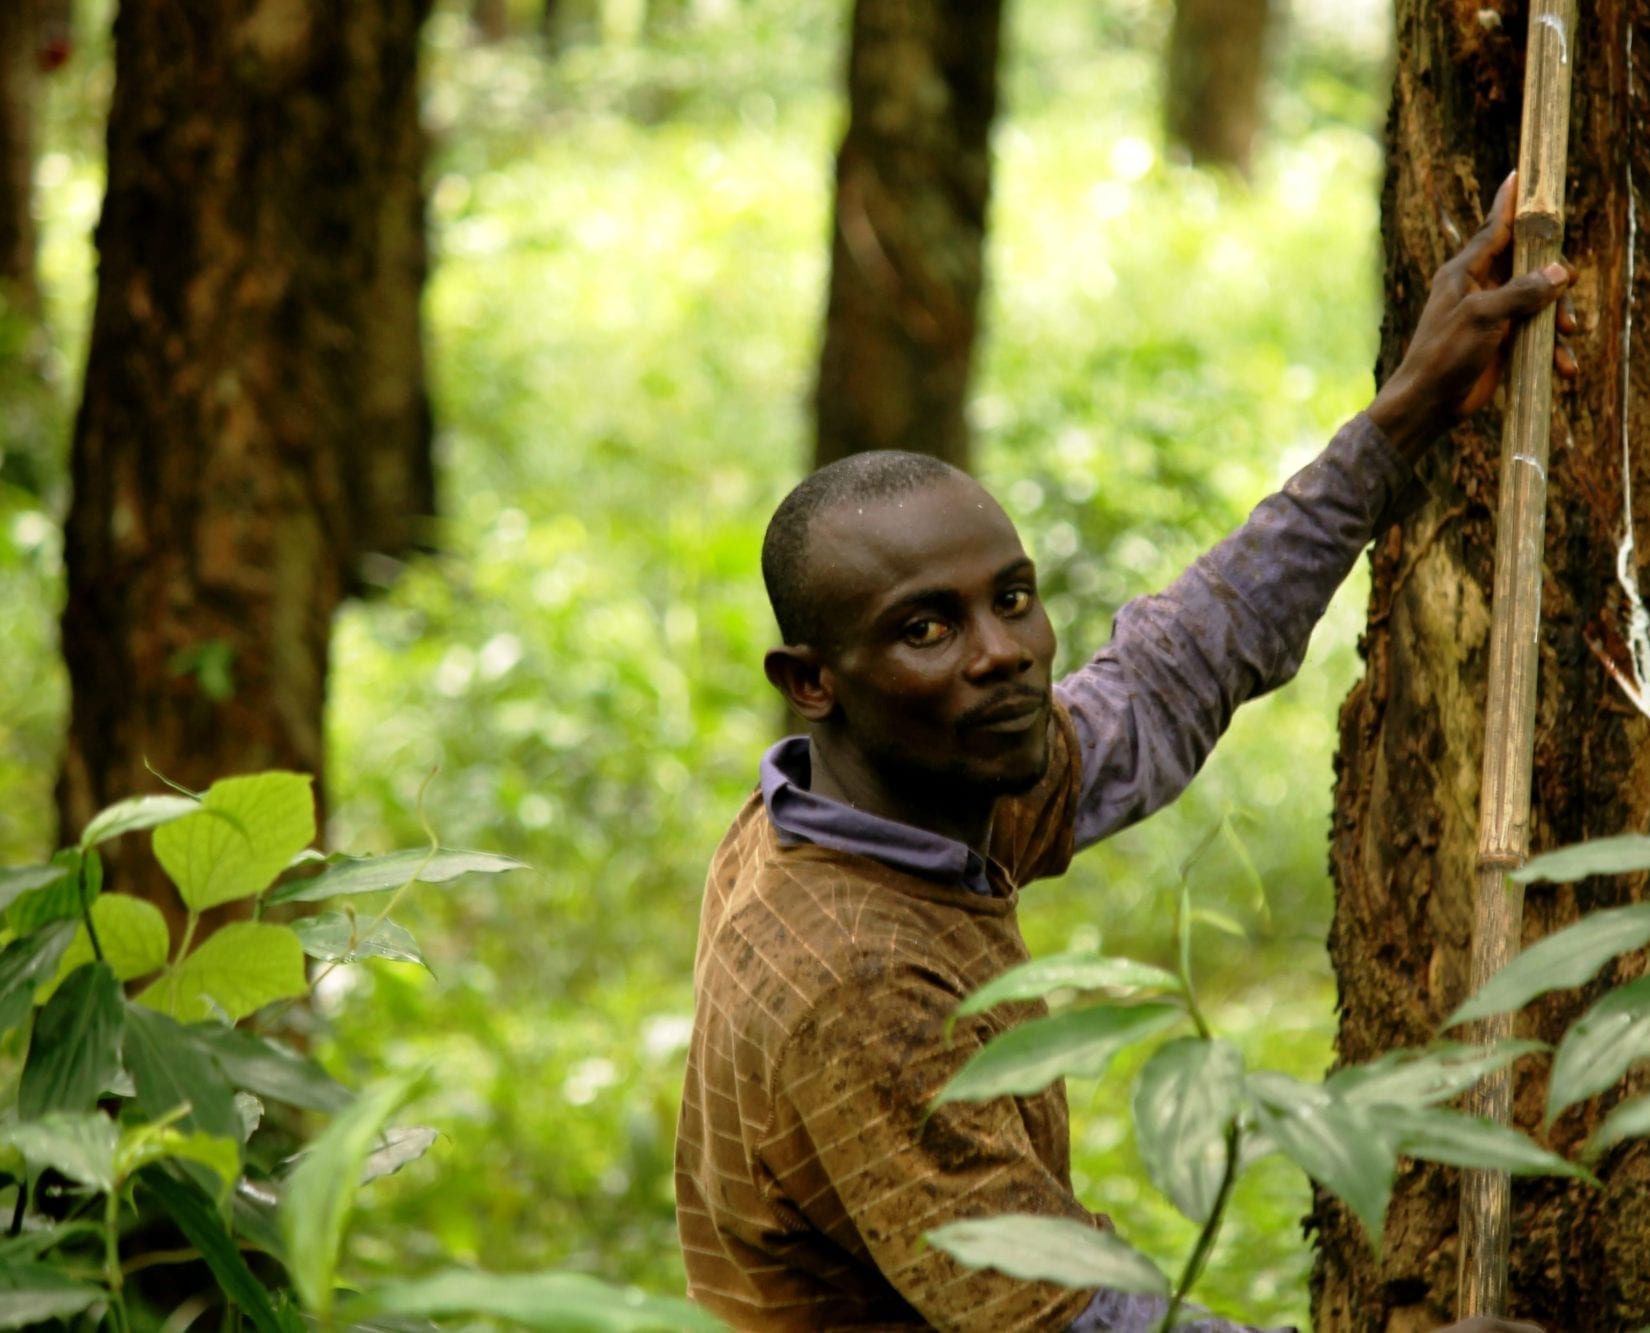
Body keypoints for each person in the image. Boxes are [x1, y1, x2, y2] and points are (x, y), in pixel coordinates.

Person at [675, 175, 1578, 1332]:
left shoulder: (891, 789)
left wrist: (1399, 417)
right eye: (926, 627)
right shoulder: (857, 980)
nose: (1002, 654)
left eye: (1010, 599)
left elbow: (1164, 679)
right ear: (811, 682)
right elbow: (1061, 1319)